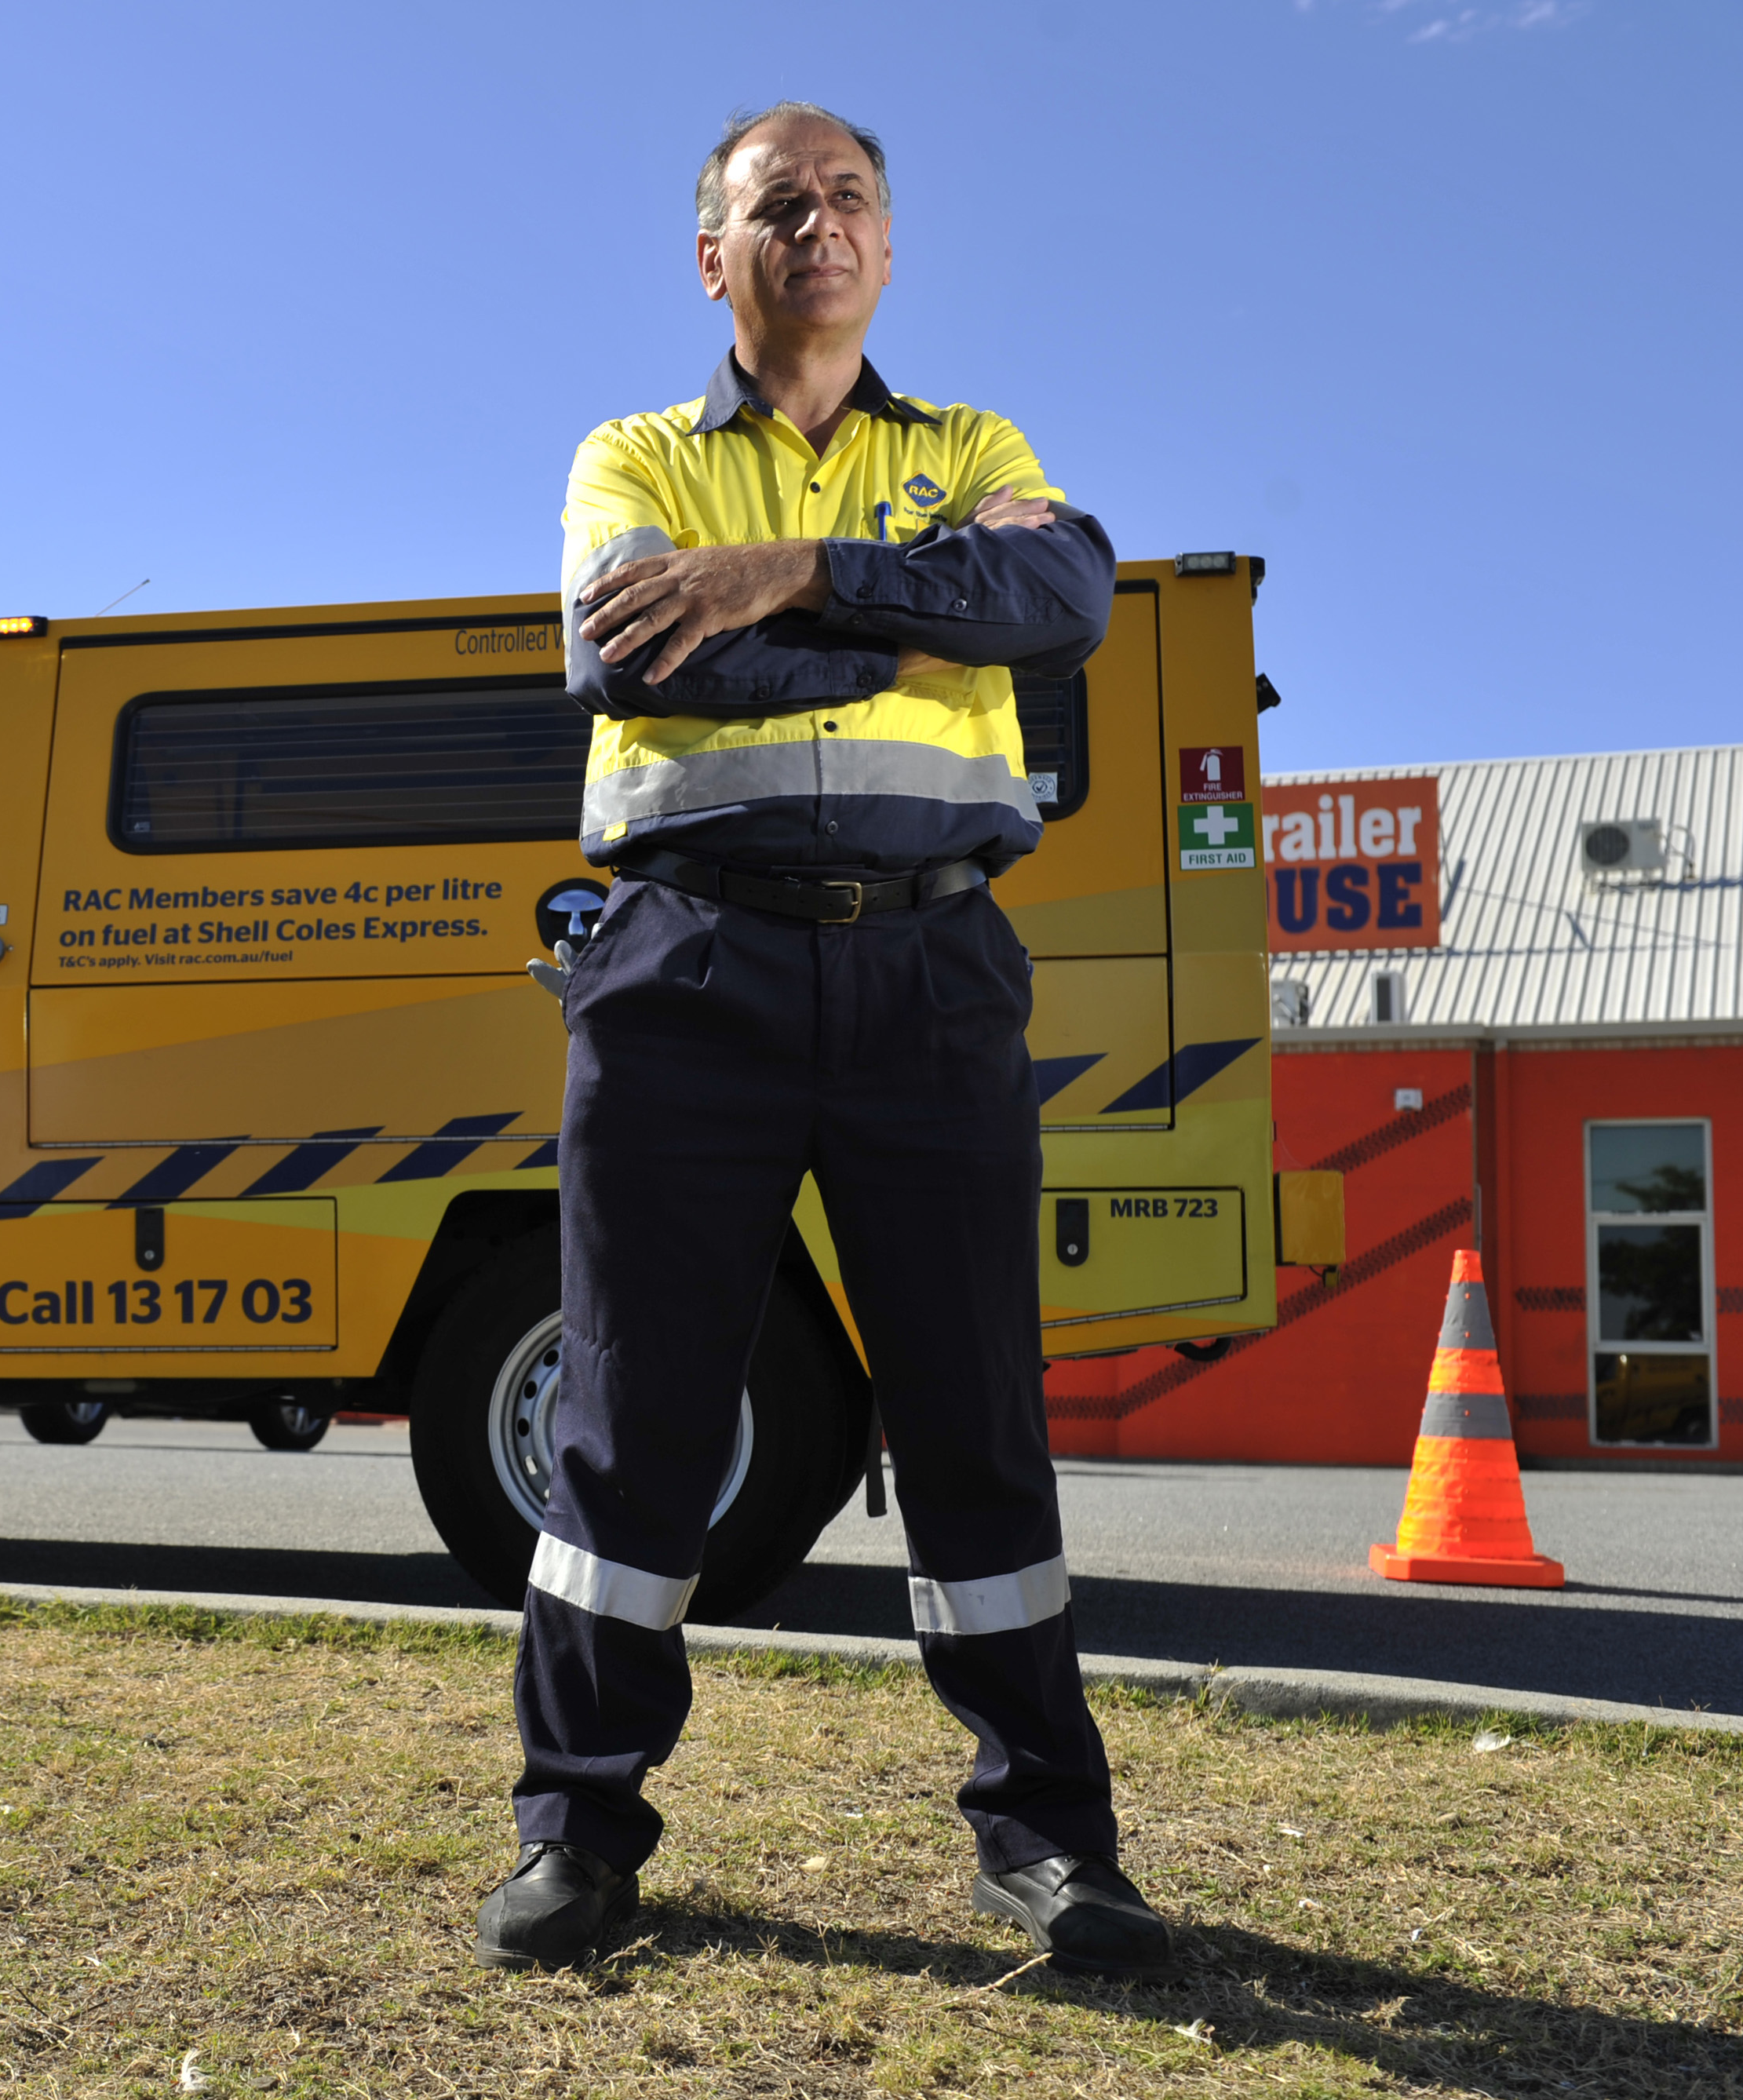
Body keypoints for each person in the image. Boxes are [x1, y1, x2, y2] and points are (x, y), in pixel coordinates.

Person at [473, 101, 1172, 1978]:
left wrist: (782, 578)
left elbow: (1066, 598)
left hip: (931, 976)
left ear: (890, 241)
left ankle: (1046, 1840)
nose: (818, 222)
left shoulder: (971, 446)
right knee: (631, 1420)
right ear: (713, 256)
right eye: (774, 203)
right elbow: (627, 656)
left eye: (848, 196)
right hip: (686, 966)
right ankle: (579, 1830)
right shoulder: (630, 453)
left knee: (974, 1410)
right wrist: (919, 621)